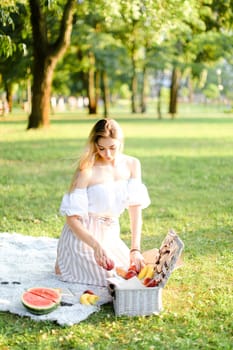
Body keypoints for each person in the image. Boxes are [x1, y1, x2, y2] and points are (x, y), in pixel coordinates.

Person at [55, 118, 150, 286]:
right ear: (95, 145)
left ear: (120, 142)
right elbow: (72, 219)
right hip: (83, 238)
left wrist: (135, 249)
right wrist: (96, 246)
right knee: (113, 279)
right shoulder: (87, 169)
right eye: (102, 148)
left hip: (110, 235)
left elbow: (135, 210)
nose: (107, 154)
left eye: (112, 148)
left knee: (135, 272)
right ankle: (66, 261)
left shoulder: (132, 164)